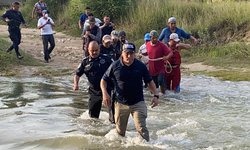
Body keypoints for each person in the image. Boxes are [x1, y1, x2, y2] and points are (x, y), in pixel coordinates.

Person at [100, 43, 159, 142]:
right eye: (126, 53)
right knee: (120, 132)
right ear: (122, 53)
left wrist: (156, 95)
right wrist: (105, 94)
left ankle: (147, 146)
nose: (129, 56)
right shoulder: (115, 65)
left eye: (131, 53)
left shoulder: (140, 66)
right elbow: (103, 80)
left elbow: (149, 81)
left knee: (142, 129)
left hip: (138, 102)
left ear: (134, 54)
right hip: (121, 103)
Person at [73, 41, 113, 118]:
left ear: (99, 49)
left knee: (113, 113)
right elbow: (77, 74)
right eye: (92, 51)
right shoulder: (85, 62)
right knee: (93, 117)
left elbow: (116, 70)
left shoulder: (107, 59)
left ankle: (113, 125)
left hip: (108, 89)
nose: (94, 52)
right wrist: (76, 84)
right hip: (94, 91)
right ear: (88, 50)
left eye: (96, 50)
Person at [146, 30, 173, 94]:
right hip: (152, 69)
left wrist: (166, 57)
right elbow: (145, 54)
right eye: (153, 38)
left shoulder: (162, 45)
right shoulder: (147, 45)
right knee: (152, 84)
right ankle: (153, 96)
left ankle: (164, 95)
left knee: (160, 81)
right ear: (150, 38)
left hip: (160, 68)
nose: (155, 39)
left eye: (156, 38)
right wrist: (141, 56)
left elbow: (170, 53)